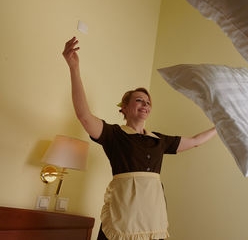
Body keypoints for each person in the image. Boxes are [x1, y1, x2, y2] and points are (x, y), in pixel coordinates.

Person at [62, 37, 217, 240]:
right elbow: (84, 115)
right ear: (124, 108)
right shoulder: (114, 135)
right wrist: (74, 68)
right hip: (123, 216)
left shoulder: (159, 140)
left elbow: (196, 141)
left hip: (153, 216)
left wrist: (221, 126)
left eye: (148, 102)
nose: (145, 104)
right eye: (139, 100)